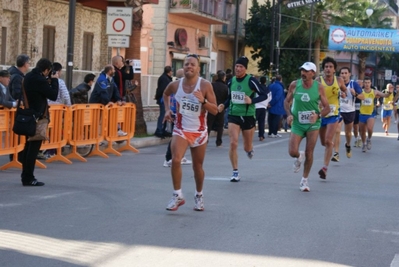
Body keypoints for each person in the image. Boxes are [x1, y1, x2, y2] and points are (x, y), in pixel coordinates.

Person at [163, 54, 218, 211]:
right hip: (181, 129)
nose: (189, 66)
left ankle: (199, 195)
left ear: (198, 69)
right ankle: (177, 195)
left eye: (192, 64)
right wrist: (167, 110)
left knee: (197, 167)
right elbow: (165, 94)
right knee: (175, 159)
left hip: (199, 132)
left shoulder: (205, 85)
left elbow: (214, 110)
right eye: (186, 64)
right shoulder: (175, 85)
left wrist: (203, 101)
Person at [218, 56, 267, 182]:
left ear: (245, 68)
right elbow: (230, 98)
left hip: (248, 116)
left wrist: (252, 100)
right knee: (233, 143)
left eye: (241, 67)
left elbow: (264, 95)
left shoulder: (251, 81)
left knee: (246, 147)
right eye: (236, 66)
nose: (238, 69)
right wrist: (224, 104)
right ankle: (235, 171)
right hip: (233, 115)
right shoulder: (230, 81)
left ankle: (250, 149)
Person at [284, 62, 330, 192]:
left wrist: (318, 115)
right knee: (292, 151)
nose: (303, 73)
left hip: (313, 125)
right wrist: (288, 115)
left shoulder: (319, 88)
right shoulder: (294, 85)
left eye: (307, 71)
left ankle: (304, 180)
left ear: (313, 73)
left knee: (310, 152)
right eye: (302, 70)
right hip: (298, 124)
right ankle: (299, 156)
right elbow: (286, 101)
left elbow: (327, 108)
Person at [20, 58, 59, 186]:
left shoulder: (29, 76)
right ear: (46, 70)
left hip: (29, 116)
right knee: (33, 149)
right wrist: (54, 80)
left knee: (28, 147)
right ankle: (28, 177)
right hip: (37, 117)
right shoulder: (39, 79)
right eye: (49, 71)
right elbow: (53, 95)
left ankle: (25, 176)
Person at [315, 57, 347, 179]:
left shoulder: (339, 80)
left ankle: (324, 168)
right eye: (326, 67)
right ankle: (331, 145)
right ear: (323, 69)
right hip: (321, 114)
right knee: (324, 142)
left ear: (334, 69)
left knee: (328, 140)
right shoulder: (318, 81)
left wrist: (344, 94)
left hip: (333, 114)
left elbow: (345, 91)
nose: (328, 69)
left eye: (330, 67)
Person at [331, 67, 364, 162]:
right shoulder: (336, 83)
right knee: (337, 130)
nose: (344, 75)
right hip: (338, 111)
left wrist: (355, 94)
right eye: (342, 73)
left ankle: (348, 144)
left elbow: (363, 97)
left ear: (349, 74)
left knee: (348, 133)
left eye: (346, 73)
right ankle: (336, 153)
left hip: (350, 111)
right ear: (340, 74)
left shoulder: (353, 84)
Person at [163, 68, 192, 167]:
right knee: (176, 137)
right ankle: (168, 158)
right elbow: (168, 96)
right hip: (176, 113)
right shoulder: (176, 85)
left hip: (182, 114)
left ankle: (181, 156)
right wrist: (170, 110)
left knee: (183, 136)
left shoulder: (183, 85)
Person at [89, 65, 126, 136]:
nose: (115, 71)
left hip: (104, 103)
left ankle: (117, 130)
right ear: (109, 71)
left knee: (113, 116)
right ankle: (93, 138)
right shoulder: (102, 79)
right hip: (96, 103)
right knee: (95, 121)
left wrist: (119, 99)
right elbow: (103, 91)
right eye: (113, 70)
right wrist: (108, 101)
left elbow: (116, 90)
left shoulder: (111, 79)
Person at [359, 77, 391, 152]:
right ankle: (364, 144)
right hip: (362, 114)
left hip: (371, 114)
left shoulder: (374, 92)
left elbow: (384, 95)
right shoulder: (361, 91)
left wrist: (389, 92)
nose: (367, 84)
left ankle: (369, 139)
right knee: (362, 131)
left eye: (368, 82)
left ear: (370, 83)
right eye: (365, 83)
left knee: (370, 128)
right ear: (363, 84)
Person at [207, 70, 228, 146]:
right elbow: (226, 98)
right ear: (223, 78)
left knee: (209, 124)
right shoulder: (225, 87)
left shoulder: (212, 85)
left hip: (211, 106)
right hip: (220, 107)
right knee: (220, 125)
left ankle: (205, 140)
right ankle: (218, 141)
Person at [154, 66, 173, 138]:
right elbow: (163, 90)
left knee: (165, 114)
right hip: (163, 100)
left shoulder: (164, 78)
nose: (172, 73)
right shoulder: (165, 79)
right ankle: (159, 130)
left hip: (163, 99)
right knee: (162, 115)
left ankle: (162, 129)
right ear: (169, 72)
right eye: (171, 71)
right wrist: (158, 97)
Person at [255, 76, 271, 141]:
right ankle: (261, 136)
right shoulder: (267, 89)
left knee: (253, 121)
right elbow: (269, 98)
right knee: (261, 122)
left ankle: (249, 134)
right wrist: (267, 103)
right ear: (265, 81)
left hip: (256, 106)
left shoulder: (257, 88)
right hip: (263, 107)